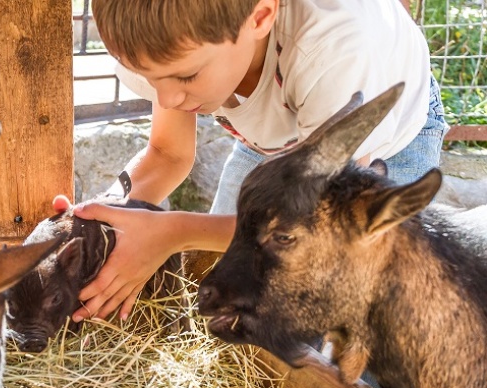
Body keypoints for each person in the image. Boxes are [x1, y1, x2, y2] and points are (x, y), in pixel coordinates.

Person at [62, 0, 449, 323]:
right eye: (150, 78)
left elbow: (325, 227)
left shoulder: (336, 50)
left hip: (383, 145)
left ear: (261, 17)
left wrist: (171, 231)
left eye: (185, 77)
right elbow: (168, 154)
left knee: (361, 317)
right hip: (270, 135)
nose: (167, 101)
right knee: (227, 295)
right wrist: (106, 216)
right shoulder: (174, 46)